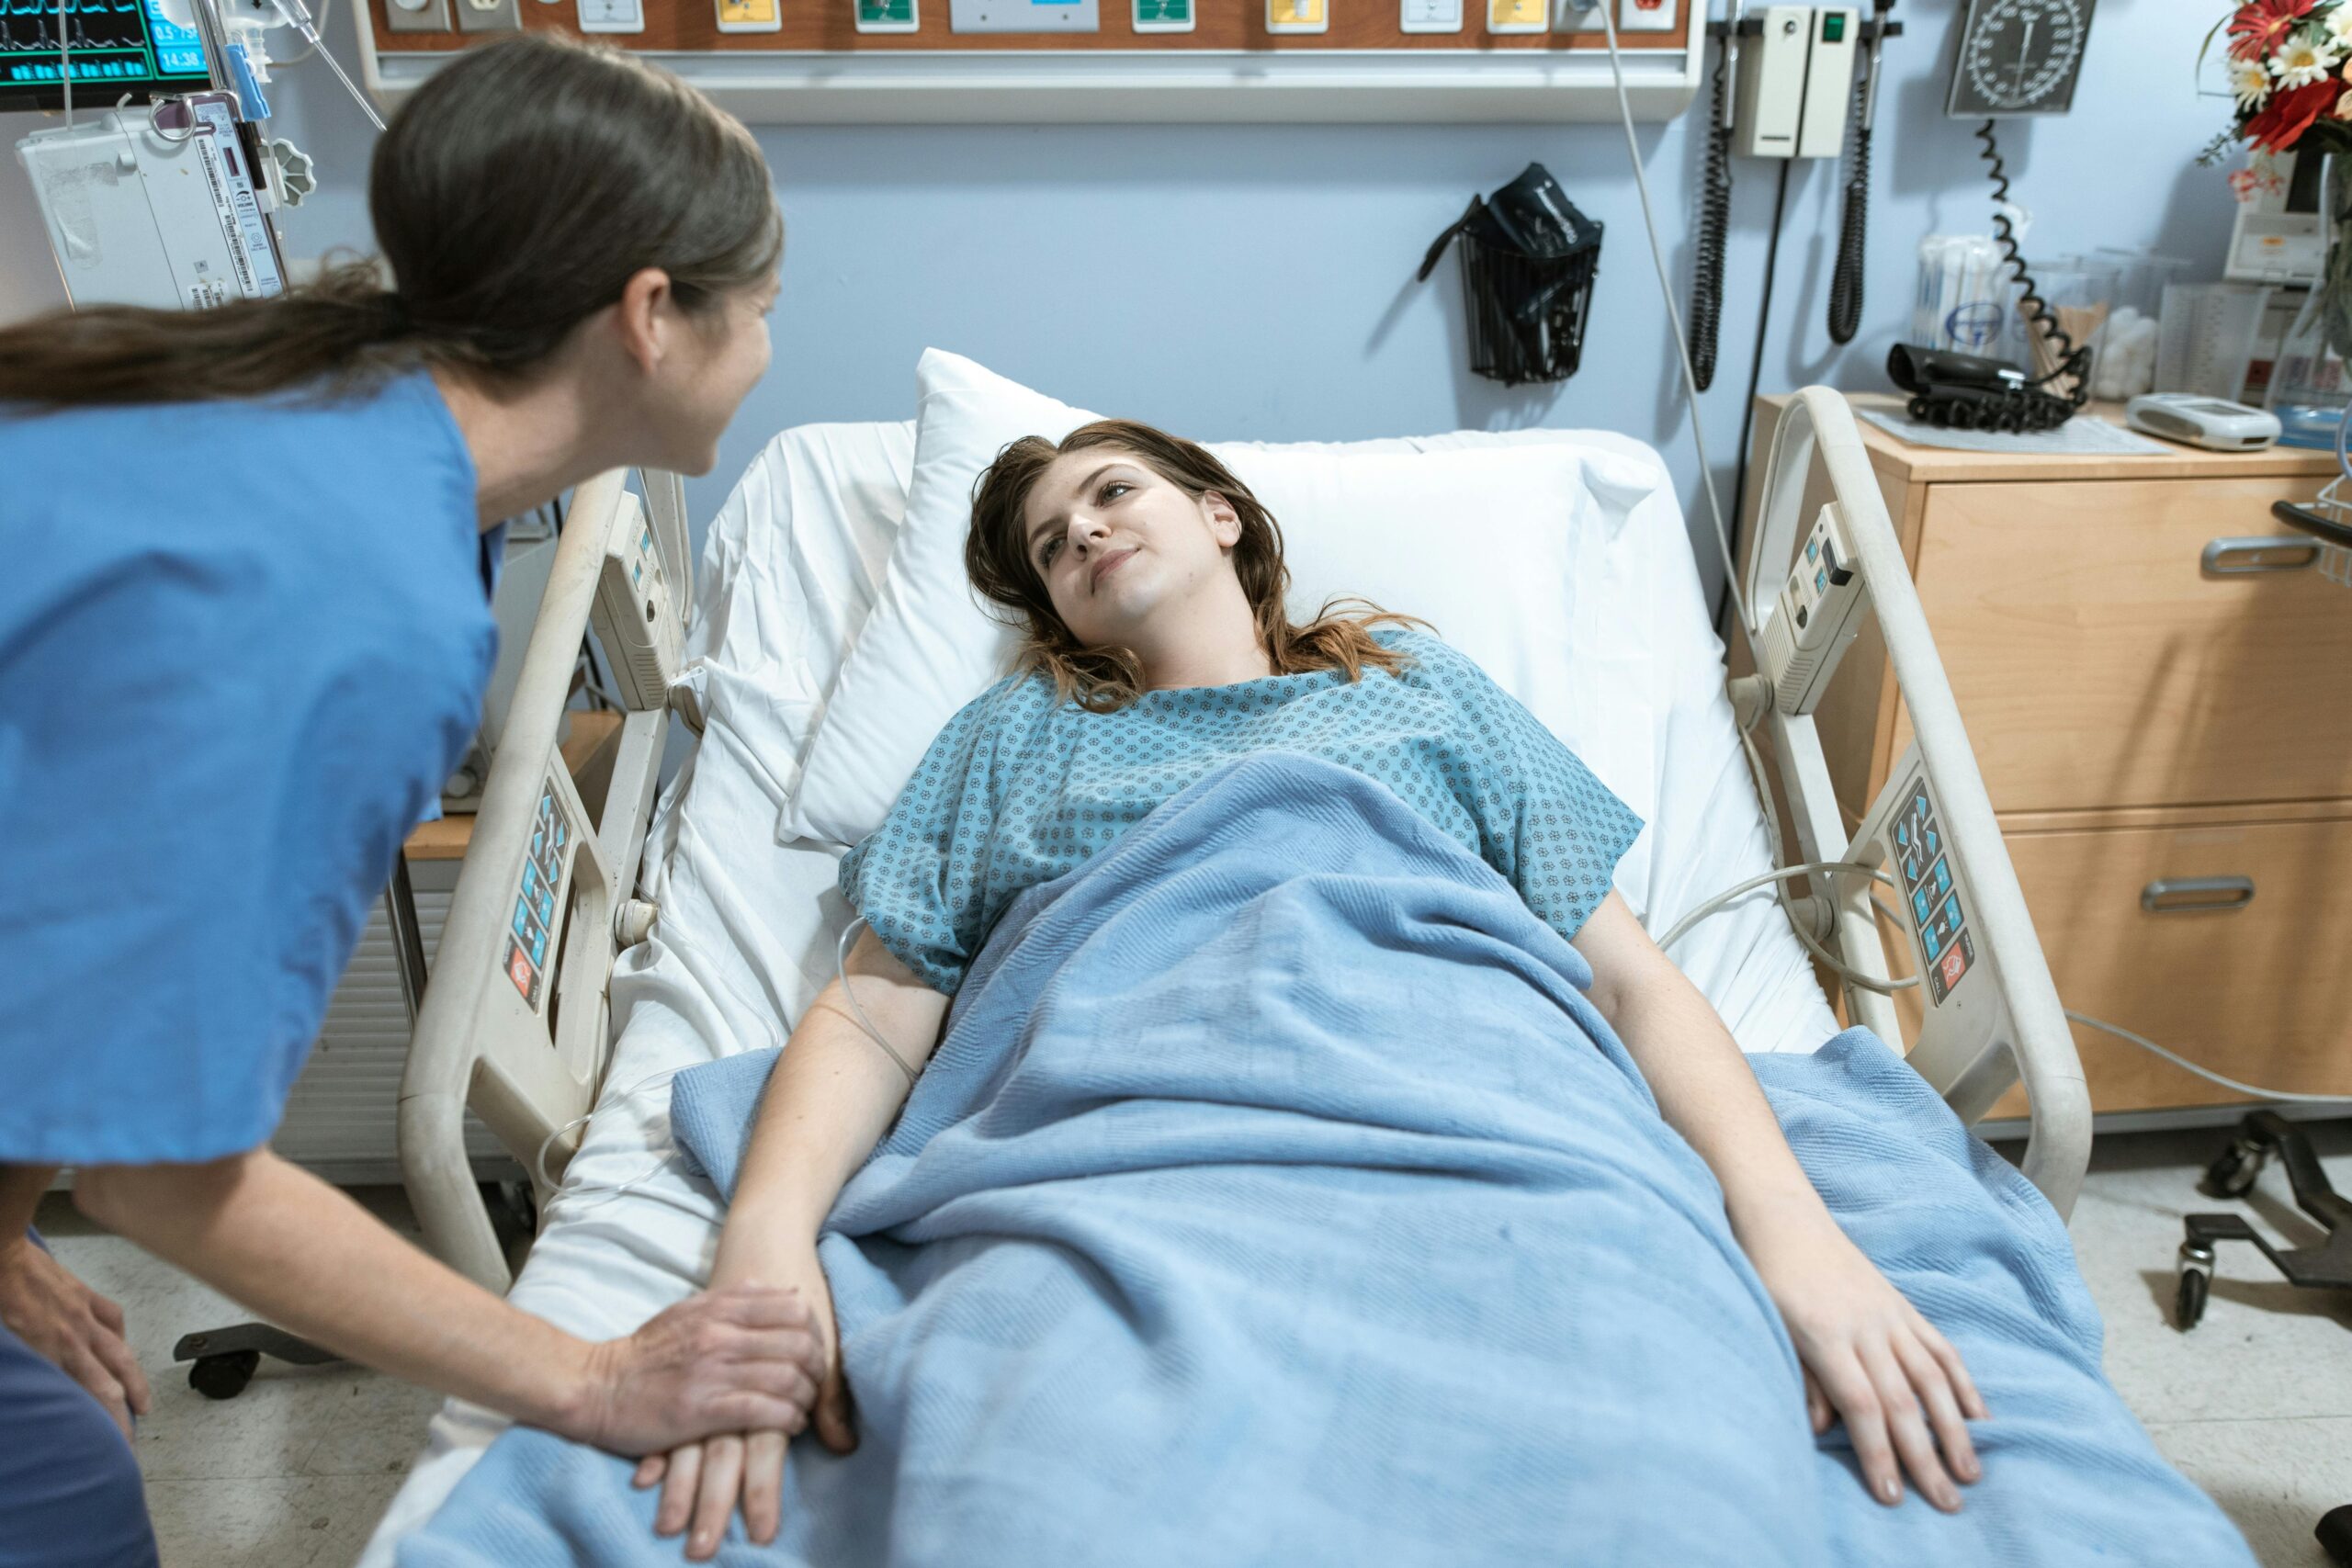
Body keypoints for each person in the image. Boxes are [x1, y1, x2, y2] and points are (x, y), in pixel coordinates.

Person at [634, 419, 1992, 1559]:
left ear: (1222, 517)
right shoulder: (1015, 734)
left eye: (1113, 493)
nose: (1086, 535)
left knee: (1654, 1448)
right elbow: (873, 1010)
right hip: (1120, 1147)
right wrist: (764, 1242)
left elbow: (1632, 985)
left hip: (1495, 1119)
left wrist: (1792, 1234)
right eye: (1053, 548)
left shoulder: (1420, 691)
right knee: (1053, 1468)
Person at [0, 35, 827, 1566]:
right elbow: (166, 1177)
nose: (773, 347)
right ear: (652, 316)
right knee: (59, 1502)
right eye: (762, 311)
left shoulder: (322, 405)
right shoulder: (359, 596)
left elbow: (49, 899)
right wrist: (593, 1373)